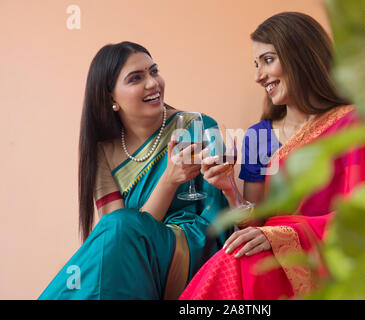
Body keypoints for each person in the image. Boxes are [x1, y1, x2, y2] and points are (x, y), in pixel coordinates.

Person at [179, 12, 365, 300]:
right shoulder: (258, 136)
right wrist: (231, 190)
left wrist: (280, 236)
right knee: (238, 259)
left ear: (302, 56)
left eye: (267, 60)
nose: (258, 76)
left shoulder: (354, 125)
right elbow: (258, 224)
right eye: (256, 65)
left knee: (240, 263)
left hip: (324, 265)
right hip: (269, 261)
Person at [39, 41, 232, 300]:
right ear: (111, 98)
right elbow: (121, 234)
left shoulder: (199, 124)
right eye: (136, 78)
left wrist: (222, 177)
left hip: (193, 251)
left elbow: (217, 217)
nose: (153, 83)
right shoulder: (103, 152)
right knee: (114, 241)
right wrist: (168, 181)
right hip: (135, 263)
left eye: (154, 71)